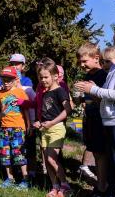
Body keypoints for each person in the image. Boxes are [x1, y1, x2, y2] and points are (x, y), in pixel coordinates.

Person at [75, 46, 115, 195]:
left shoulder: (103, 75)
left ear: (96, 58)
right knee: (95, 152)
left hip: (103, 120)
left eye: (84, 61)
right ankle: (102, 184)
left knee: (102, 155)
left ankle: (103, 186)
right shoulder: (88, 76)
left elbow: (104, 98)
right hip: (91, 118)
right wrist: (80, 97)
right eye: (79, 62)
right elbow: (89, 99)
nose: (82, 65)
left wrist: (92, 91)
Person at [34, 61, 72, 197]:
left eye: (46, 77)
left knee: (52, 159)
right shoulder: (44, 92)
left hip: (56, 128)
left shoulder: (60, 91)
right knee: (47, 160)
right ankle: (54, 187)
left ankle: (65, 186)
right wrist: (39, 122)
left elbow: (68, 109)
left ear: (55, 76)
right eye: (40, 77)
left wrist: (52, 122)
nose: (42, 80)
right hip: (45, 129)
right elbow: (46, 112)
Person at [0, 66, 30, 190]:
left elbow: (25, 111)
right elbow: (1, 112)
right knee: (5, 154)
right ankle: (10, 178)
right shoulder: (0, 94)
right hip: (4, 129)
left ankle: (25, 179)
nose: (6, 82)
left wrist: (28, 125)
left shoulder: (20, 93)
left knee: (18, 153)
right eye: (4, 79)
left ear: (15, 80)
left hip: (18, 128)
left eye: (9, 79)